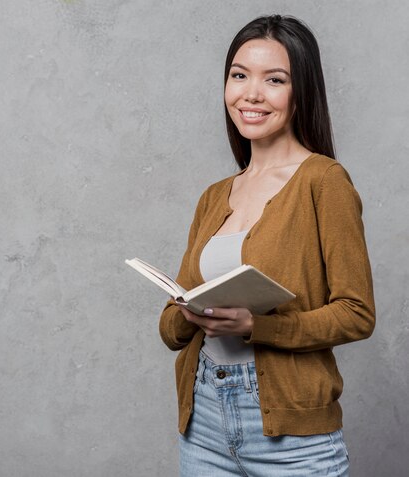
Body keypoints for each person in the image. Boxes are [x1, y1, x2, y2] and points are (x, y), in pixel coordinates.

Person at [158, 15, 375, 476]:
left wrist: (255, 326)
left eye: (273, 80)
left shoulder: (324, 181)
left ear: (301, 94)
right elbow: (171, 328)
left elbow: (357, 313)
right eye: (239, 75)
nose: (250, 94)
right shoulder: (216, 195)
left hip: (291, 435)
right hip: (205, 423)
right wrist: (187, 313)